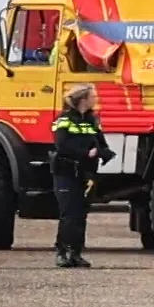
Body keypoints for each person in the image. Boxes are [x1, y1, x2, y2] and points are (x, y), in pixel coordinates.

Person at [51, 84, 115, 268]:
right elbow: (61, 146)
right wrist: (86, 154)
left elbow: (100, 143)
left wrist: (105, 153)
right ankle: (62, 252)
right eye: (93, 96)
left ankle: (76, 253)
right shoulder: (63, 119)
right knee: (68, 214)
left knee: (81, 214)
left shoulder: (92, 120)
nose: (96, 99)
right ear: (82, 99)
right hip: (66, 172)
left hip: (86, 173)